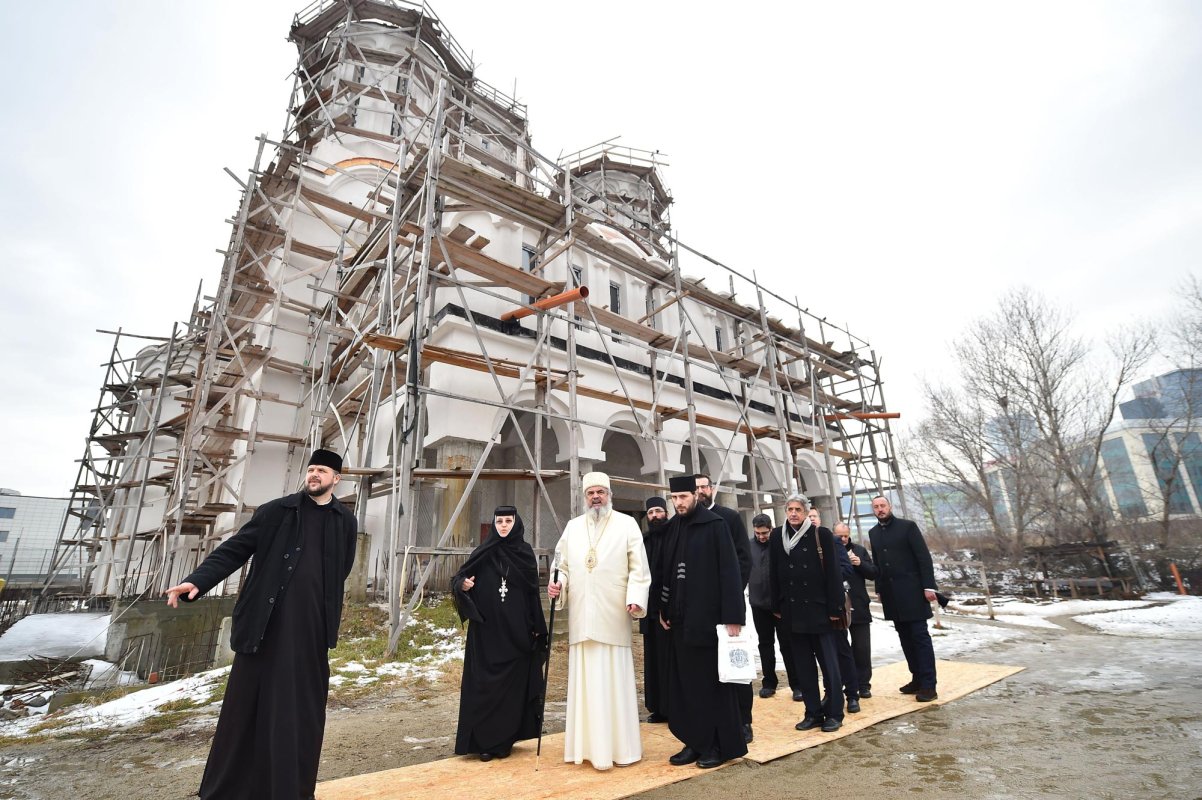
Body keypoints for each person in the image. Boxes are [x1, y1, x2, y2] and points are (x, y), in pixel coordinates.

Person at [165, 449, 358, 800]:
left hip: (311, 632)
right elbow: (235, 549)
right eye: (311, 469)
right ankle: (230, 790)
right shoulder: (275, 512)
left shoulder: (345, 521)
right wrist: (198, 581)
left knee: (299, 712)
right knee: (246, 709)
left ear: (337, 479)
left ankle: (290, 789)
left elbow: (342, 568)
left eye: (323, 470)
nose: (314, 475)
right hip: (264, 628)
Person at [546, 472, 651, 770]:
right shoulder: (573, 527)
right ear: (584, 497)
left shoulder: (627, 524)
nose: (596, 497)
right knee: (585, 684)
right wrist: (559, 584)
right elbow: (561, 565)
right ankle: (586, 749)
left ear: (609, 495)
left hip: (613, 612)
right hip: (582, 616)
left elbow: (639, 568)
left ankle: (621, 749)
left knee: (613, 682)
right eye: (591, 492)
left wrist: (636, 597)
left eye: (601, 492)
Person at [651, 475, 747, 769]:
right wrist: (662, 609)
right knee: (685, 685)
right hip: (680, 621)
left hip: (708, 620)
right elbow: (665, 571)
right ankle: (694, 741)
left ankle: (716, 745)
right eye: (674, 498)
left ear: (696, 495)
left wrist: (733, 616)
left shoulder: (715, 525)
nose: (678, 503)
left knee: (711, 686)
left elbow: (730, 571)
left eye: (683, 497)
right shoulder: (672, 529)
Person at [452, 507, 548, 761]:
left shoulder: (525, 554)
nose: (503, 525)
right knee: (485, 686)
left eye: (508, 521)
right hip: (487, 632)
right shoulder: (482, 552)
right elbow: (459, 577)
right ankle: (483, 741)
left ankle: (504, 740)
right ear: (494, 524)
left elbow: (532, 594)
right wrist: (462, 585)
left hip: (516, 631)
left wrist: (538, 626)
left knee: (512, 688)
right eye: (499, 521)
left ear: (516, 523)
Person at [769, 493, 845, 733]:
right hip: (792, 613)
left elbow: (833, 573)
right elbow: (773, 572)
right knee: (803, 667)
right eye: (789, 509)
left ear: (805, 512)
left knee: (829, 666)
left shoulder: (820, 535)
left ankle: (834, 712)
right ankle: (812, 712)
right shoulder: (776, 535)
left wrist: (835, 608)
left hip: (819, 611)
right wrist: (777, 606)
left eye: (797, 510)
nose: (793, 513)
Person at [694, 474, 753, 742]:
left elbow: (743, 559)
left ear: (712, 489)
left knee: (736, 663)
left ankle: (744, 720)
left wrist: (729, 596)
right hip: (700, 609)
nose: (701, 492)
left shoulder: (728, 517)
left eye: (704, 487)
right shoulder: (687, 523)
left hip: (728, 605)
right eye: (696, 489)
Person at [868, 495, 939, 702]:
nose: (880, 509)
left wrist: (928, 586)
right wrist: (879, 589)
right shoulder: (873, 533)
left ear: (889, 506)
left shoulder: (908, 527)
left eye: (883, 505)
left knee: (919, 637)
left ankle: (929, 685)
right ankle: (916, 678)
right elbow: (878, 563)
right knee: (905, 638)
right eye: (876, 507)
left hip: (913, 592)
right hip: (891, 595)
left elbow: (923, 557)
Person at [809, 507, 861, 714]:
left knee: (841, 650)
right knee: (823, 655)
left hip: (833, 604)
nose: (811, 520)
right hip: (813, 608)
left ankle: (852, 694)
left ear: (819, 519)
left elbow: (846, 568)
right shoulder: (798, 543)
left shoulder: (831, 540)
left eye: (814, 516)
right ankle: (831, 692)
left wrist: (824, 577)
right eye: (808, 516)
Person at [748, 513, 798, 700]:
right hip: (758, 604)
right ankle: (769, 683)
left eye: (765, 533)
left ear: (771, 528)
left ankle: (797, 684)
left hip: (781, 604)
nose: (762, 536)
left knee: (787, 644)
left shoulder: (780, 544)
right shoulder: (748, 546)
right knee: (765, 644)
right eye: (758, 533)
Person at [836, 522, 877, 698]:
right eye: (840, 536)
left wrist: (860, 563)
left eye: (846, 535)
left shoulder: (859, 550)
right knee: (842, 648)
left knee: (862, 647)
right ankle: (846, 682)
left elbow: (874, 573)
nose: (844, 539)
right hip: (839, 606)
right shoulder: (829, 551)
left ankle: (864, 684)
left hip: (859, 604)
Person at [641, 496, 671, 723]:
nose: (654, 516)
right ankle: (658, 707)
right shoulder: (644, 540)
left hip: (669, 610)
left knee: (670, 659)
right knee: (653, 660)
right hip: (649, 609)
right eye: (650, 513)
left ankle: (673, 707)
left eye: (658, 511)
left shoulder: (674, 537)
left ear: (666, 513)